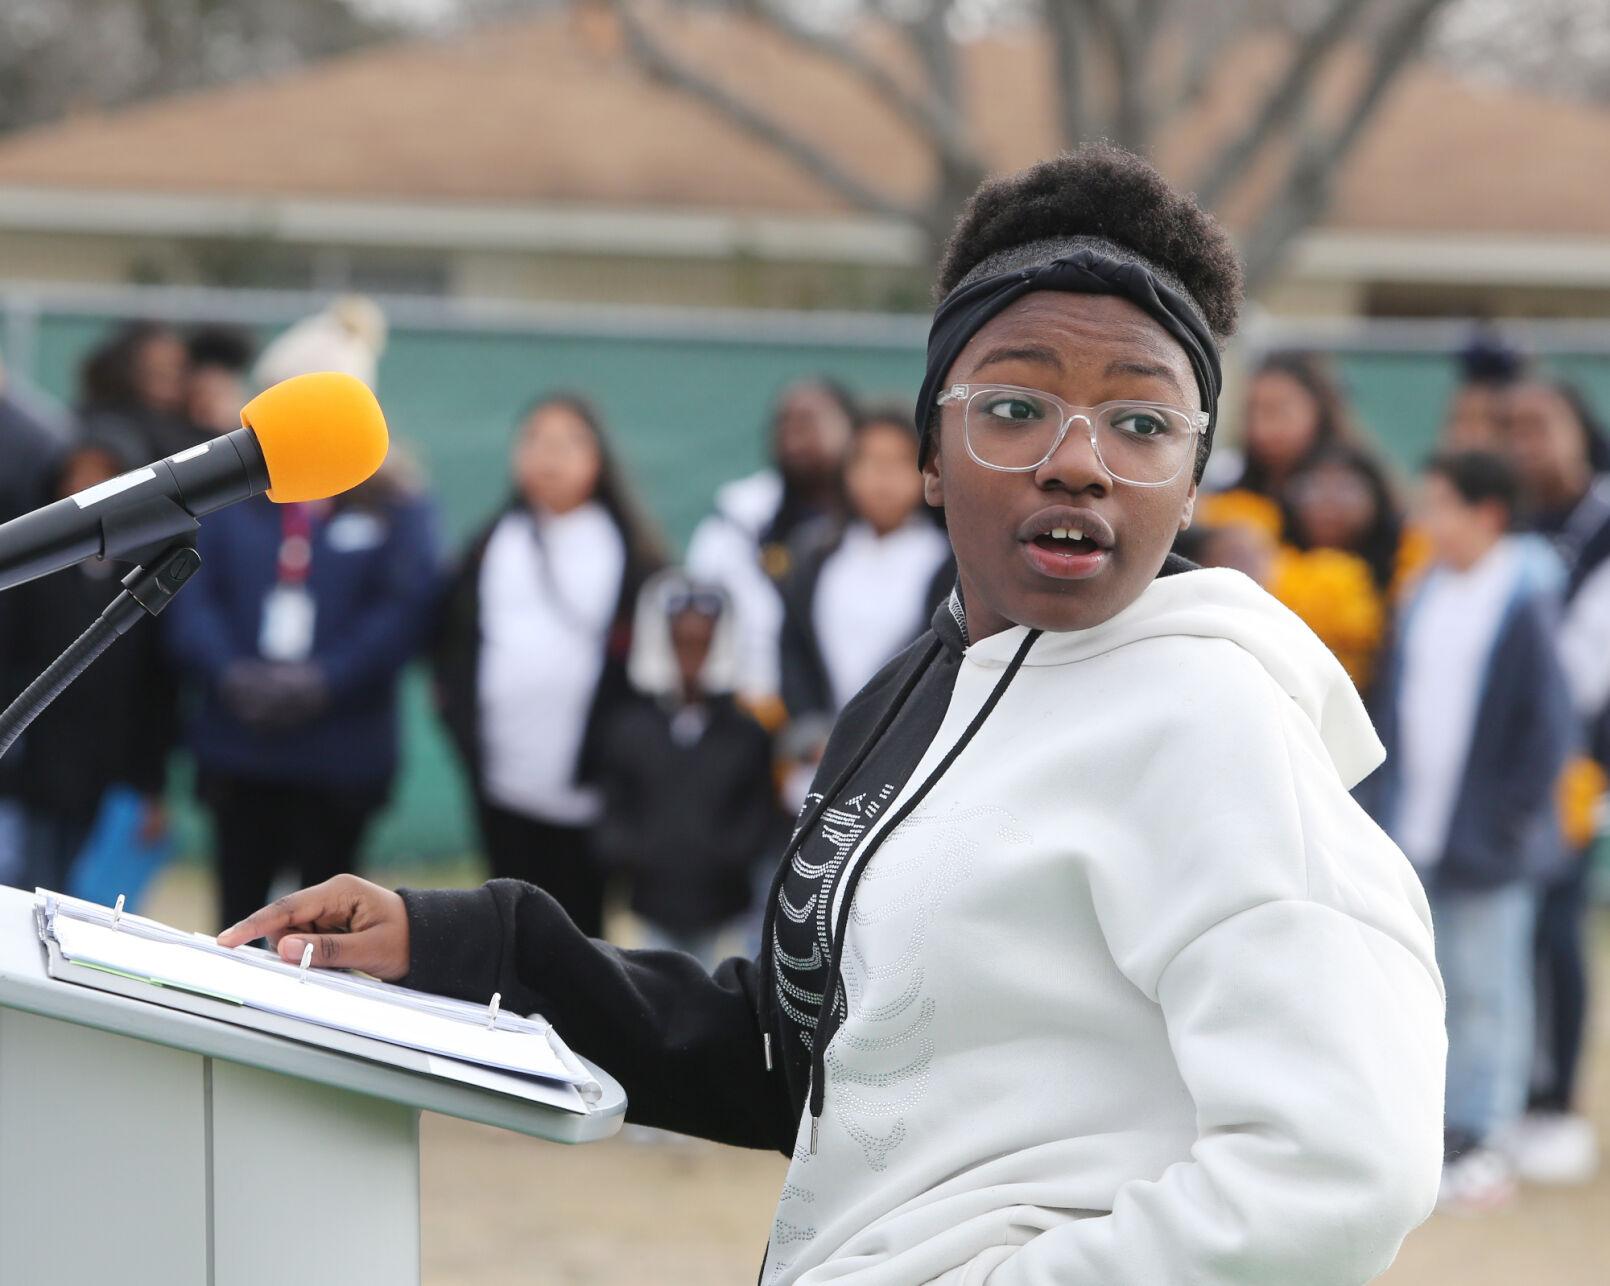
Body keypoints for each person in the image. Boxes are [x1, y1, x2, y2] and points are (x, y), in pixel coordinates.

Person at [221, 145, 1444, 1285]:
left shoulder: (1216, 719)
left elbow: (1337, 1166)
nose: (1078, 460)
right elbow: (811, 1054)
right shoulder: (919, 686)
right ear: (927, 451)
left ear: (1187, 485)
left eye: (1140, 423)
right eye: (1014, 408)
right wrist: (476, 947)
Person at [1363, 451, 1576, 1213]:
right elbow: (1395, 704)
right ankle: (1431, 1126)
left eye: (1443, 504)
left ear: (1487, 514)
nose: (1427, 518)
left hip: (1490, 841)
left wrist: (1511, 824)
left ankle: (1482, 1135)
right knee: (1425, 985)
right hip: (1417, 828)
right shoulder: (1425, 590)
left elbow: (1550, 727)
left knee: (1489, 991)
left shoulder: (1528, 591)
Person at [433, 394, 662, 939]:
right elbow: (452, 645)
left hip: (590, 792)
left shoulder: (634, 554)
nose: (548, 457)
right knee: (505, 924)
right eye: (534, 440)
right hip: (500, 779)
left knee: (577, 937)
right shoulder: (492, 542)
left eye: (566, 443)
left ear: (598, 457)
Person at [1502, 375, 1610, 1184]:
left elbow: (1584, 669)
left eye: (1540, 426)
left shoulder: (1601, 525)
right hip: (1501, 761)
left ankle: (1556, 1104)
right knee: (1498, 936)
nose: (1524, 443)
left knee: (1557, 927)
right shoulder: (1505, 521)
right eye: (1513, 429)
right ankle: (1504, 1092)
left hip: (1577, 765)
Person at [0, 430, 175, 893]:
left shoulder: (149, 570)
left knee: (79, 894)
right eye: (79, 473)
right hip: (26, 762)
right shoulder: (29, 564)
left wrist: (150, 785)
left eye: (103, 476)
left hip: (104, 769)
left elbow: (156, 685)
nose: (86, 487)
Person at [590, 572, 780, 969]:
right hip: (648, 909)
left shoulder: (748, 736)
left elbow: (760, 818)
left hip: (725, 913)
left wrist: (717, 856)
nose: (692, 654)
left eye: (703, 643)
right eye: (681, 642)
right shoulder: (629, 730)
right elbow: (610, 818)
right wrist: (648, 855)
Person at [686, 379, 856, 715]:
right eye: (784, 422)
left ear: (851, 428)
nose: (793, 433)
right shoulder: (736, 517)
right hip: (750, 716)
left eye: (808, 421)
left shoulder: (878, 526)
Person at [778, 405, 954, 720]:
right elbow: (794, 648)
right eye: (869, 461)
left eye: (898, 462)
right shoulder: (815, 554)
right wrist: (809, 726)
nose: (882, 478)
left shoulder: (950, 563)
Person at [1284, 442, 1404, 591]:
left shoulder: (1403, 566)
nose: (1328, 503)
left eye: (1344, 489)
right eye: (1315, 488)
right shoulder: (1275, 564)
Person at [77, 319, 193, 460]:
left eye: (177, 369)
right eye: (157, 373)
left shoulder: (187, 424)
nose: (172, 379)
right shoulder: (106, 431)